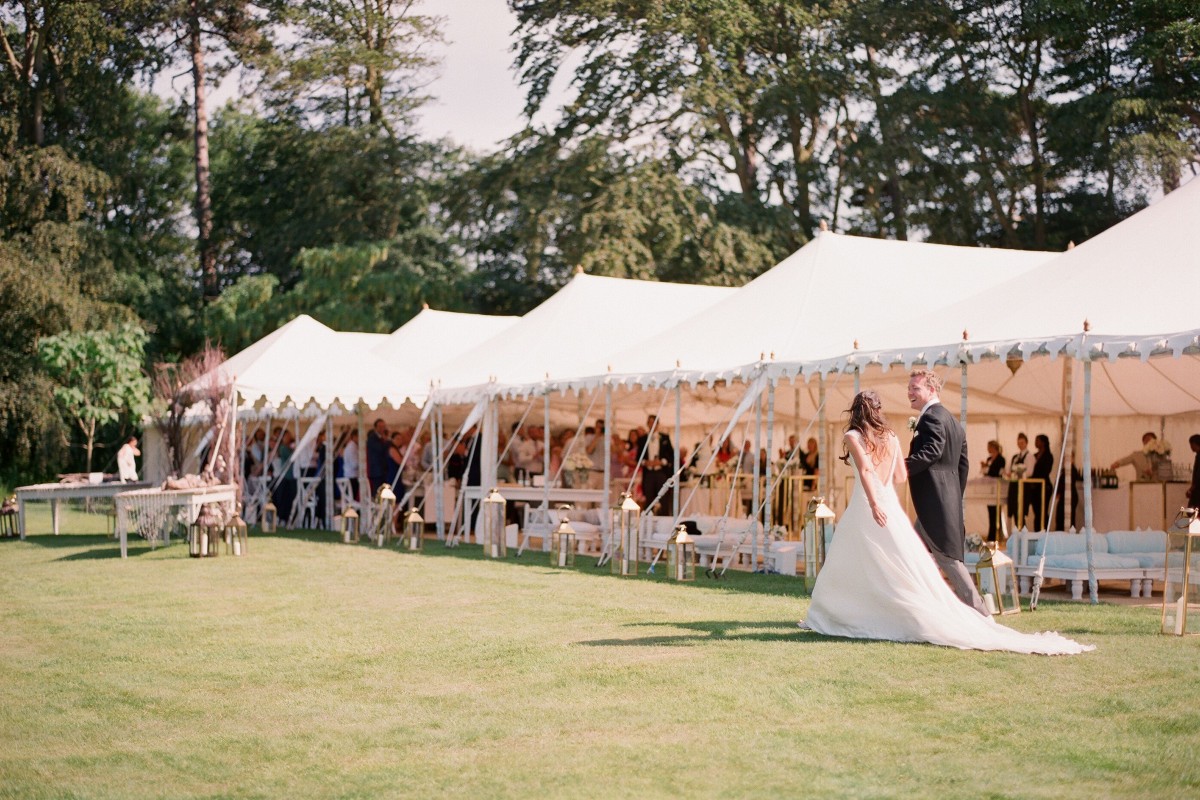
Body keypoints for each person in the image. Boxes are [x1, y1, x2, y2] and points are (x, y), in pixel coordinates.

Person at [801, 390, 1093, 655]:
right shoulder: (891, 438)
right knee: (895, 564)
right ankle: (860, 613)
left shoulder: (853, 436)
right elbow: (899, 476)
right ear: (879, 410)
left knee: (857, 561)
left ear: (855, 411)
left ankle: (838, 615)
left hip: (868, 505)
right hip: (889, 504)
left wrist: (875, 503)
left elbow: (865, 470)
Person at [902, 370, 987, 615]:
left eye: (915, 388)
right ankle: (921, 609)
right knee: (911, 554)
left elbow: (931, 452)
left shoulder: (931, 418)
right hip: (943, 502)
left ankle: (983, 615)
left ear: (932, 390)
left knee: (951, 564)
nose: (909, 392)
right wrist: (953, 497)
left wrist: (900, 468)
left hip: (935, 506)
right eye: (909, 387)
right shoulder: (954, 423)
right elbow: (963, 466)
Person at [636, 415, 674, 514]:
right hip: (648, 473)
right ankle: (649, 518)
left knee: (663, 497)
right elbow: (639, 457)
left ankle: (664, 518)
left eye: (654, 422)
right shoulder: (643, 439)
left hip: (661, 472)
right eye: (650, 422)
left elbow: (671, 455)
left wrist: (662, 461)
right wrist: (646, 462)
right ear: (647, 424)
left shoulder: (665, 437)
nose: (652, 424)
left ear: (657, 424)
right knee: (649, 497)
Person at [1026, 433, 1054, 531]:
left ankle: (1044, 531)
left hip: (1044, 486)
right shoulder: (1034, 456)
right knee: (1036, 512)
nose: (1035, 442)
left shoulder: (1048, 456)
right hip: (1034, 488)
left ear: (1043, 442)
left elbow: (1046, 471)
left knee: (1043, 511)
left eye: (1037, 440)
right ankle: (1036, 532)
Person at [981, 440, 1006, 541]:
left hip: (997, 487)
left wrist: (988, 468)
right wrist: (984, 467)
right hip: (989, 488)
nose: (988, 449)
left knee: (997, 512)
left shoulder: (1001, 459)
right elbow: (986, 473)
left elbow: (998, 472)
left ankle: (998, 535)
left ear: (993, 447)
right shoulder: (989, 458)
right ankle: (991, 535)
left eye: (989, 447)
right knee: (990, 511)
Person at [1006, 433, 1031, 530]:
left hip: (1022, 488)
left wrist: (1018, 473)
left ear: (1026, 443)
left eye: (1022, 442)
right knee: (1014, 511)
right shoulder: (1015, 457)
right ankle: (1016, 533)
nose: (1020, 445)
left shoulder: (1029, 457)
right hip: (1014, 486)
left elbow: (1029, 472)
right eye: (1019, 443)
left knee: (1020, 512)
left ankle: (1022, 533)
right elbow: (1008, 470)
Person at [1188, 434, 1200, 507]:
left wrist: (1192, 487)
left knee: (1190, 512)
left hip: (1197, 491)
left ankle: (1185, 519)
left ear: (1194, 444)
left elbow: (1198, 474)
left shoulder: (1199, 456)